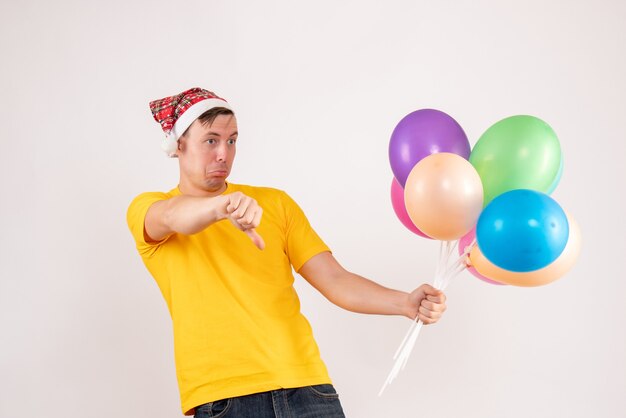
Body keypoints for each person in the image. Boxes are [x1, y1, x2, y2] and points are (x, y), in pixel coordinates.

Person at [126, 87, 447, 417]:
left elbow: (334, 279)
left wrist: (404, 303)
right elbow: (172, 217)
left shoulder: (275, 203)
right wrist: (221, 206)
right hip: (225, 399)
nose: (224, 153)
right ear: (179, 145)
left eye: (232, 140)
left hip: (309, 389)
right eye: (211, 140)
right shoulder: (149, 208)